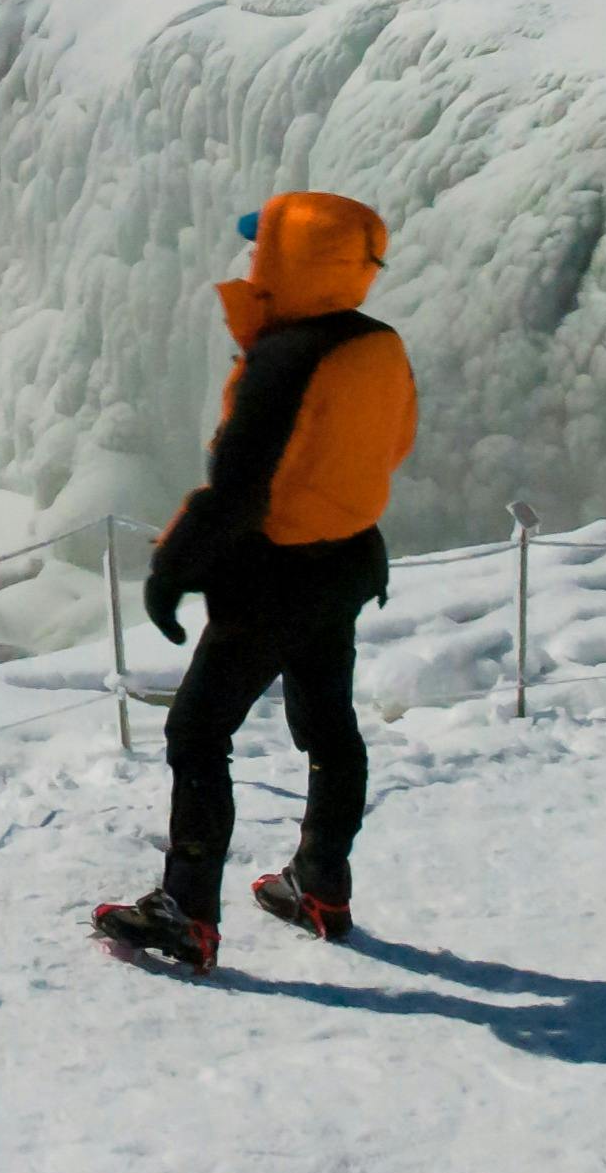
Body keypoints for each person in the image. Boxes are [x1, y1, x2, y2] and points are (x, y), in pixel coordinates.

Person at [93, 190, 417, 973]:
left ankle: (186, 912)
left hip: (275, 577)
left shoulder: (284, 358)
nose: (249, 263)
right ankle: (321, 884)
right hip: (346, 561)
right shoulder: (377, 343)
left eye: (260, 251)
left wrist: (172, 568)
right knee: (329, 726)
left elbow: (233, 489)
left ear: (289, 262)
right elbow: (392, 442)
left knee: (197, 731)